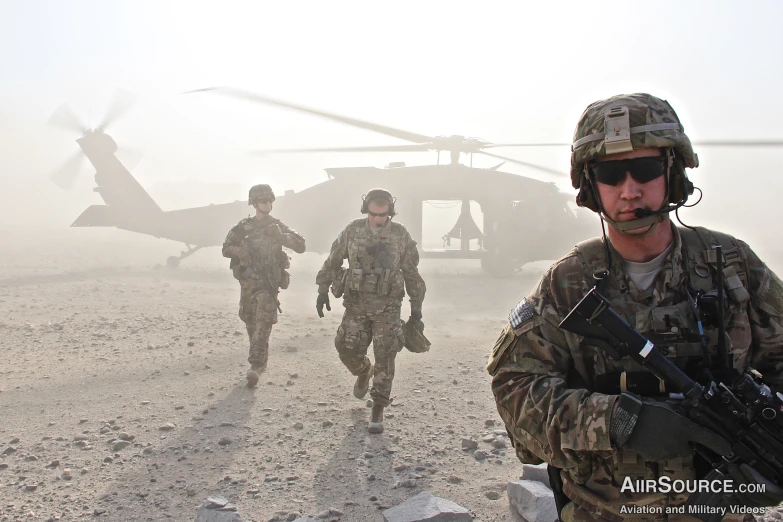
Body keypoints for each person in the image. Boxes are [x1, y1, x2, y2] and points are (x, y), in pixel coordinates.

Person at [487, 93, 783, 521]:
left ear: (673, 174)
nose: (629, 190)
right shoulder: (567, 283)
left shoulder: (731, 263)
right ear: (591, 185)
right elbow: (515, 390)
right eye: (610, 173)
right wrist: (619, 422)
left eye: (645, 169)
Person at [315, 188, 426, 434]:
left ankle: (378, 406)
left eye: (383, 215)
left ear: (390, 213)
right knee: (346, 349)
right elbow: (333, 261)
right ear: (367, 210)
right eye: (374, 214)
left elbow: (411, 273)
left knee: (386, 355)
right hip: (356, 304)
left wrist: (416, 310)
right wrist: (323, 290)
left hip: (388, 307)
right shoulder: (353, 231)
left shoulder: (400, 235)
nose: (378, 219)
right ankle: (364, 371)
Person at [222, 184, 306, 387]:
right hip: (248, 282)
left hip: (268, 285)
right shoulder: (243, 227)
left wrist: (282, 237)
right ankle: (260, 361)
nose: (267, 204)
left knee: (263, 322)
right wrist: (240, 252)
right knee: (250, 320)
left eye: (269, 200)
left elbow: (301, 245)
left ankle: (256, 366)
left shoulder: (277, 226)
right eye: (263, 201)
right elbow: (226, 248)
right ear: (254, 203)